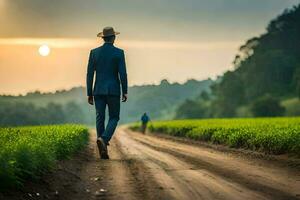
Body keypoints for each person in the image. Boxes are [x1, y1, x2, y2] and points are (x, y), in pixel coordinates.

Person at [86, 27, 128, 159]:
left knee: (100, 117)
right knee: (114, 117)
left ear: (103, 38)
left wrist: (89, 93)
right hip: (113, 90)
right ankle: (104, 139)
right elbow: (123, 74)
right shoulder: (119, 53)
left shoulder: (94, 53)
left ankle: (102, 150)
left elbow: (89, 74)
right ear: (114, 38)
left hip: (98, 90)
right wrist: (125, 91)